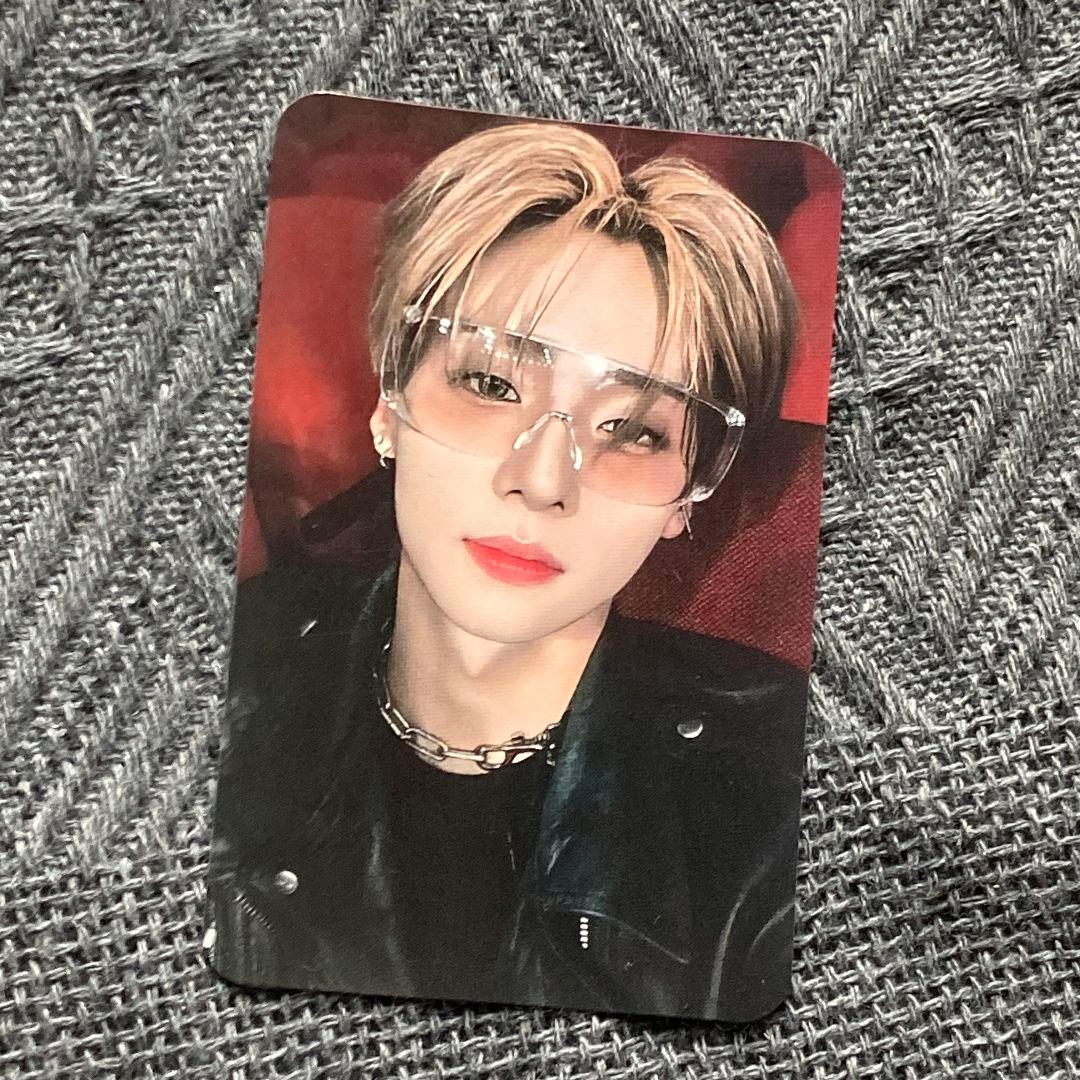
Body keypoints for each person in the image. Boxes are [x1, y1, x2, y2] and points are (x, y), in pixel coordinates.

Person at [207, 120, 808, 1023]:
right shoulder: (229, 676)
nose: (542, 481)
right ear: (389, 403)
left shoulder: (769, 799)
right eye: (491, 385)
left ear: (688, 494)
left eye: (634, 431)